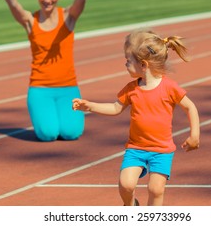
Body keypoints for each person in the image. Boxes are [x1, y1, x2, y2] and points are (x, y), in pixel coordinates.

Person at [72, 29, 200, 206]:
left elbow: (190, 107)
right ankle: (130, 206)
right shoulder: (131, 89)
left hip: (161, 150)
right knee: (126, 185)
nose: (125, 64)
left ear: (144, 65)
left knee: (156, 190)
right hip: (136, 148)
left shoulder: (169, 88)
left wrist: (195, 135)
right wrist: (90, 106)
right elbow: (115, 108)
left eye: (128, 61)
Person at [0, 0, 103, 142]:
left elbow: (80, 2)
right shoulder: (31, 21)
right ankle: (46, 117)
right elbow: (14, 5)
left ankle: (63, 119)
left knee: (71, 133)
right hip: (40, 89)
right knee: (48, 134)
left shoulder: (68, 17)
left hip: (68, 89)